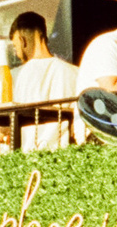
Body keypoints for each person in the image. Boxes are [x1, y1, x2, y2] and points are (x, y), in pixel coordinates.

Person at [7, 10, 81, 150]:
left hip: (30, 155)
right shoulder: (74, 71)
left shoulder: (21, 75)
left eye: (15, 46)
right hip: (66, 155)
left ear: (22, 41)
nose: (16, 54)